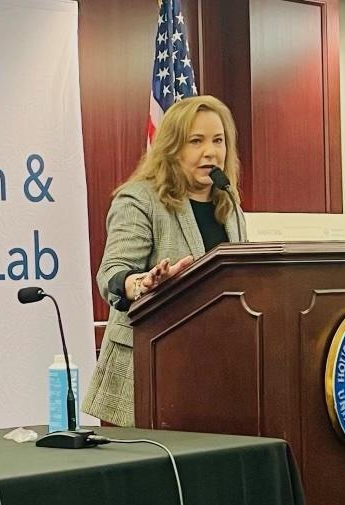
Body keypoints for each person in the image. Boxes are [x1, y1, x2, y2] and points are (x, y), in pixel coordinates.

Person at [82, 94, 247, 427]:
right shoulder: (140, 199)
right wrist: (141, 283)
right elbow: (112, 273)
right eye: (196, 141)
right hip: (149, 370)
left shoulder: (228, 205)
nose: (210, 152)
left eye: (218, 140)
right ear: (172, 148)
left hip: (216, 370)